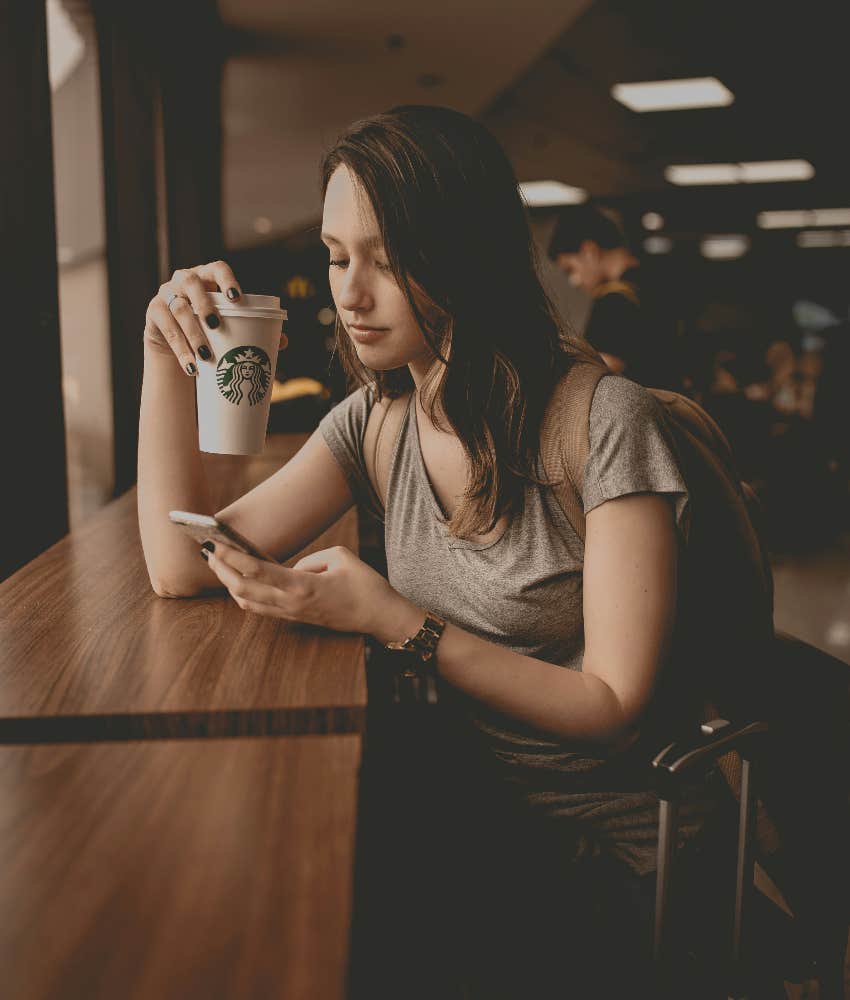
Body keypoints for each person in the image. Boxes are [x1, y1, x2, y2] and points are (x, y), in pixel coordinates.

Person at [138, 106, 725, 998]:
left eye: (391, 256)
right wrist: (159, 353)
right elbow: (183, 566)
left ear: (468, 253)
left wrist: (396, 622)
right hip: (481, 815)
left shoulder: (603, 421)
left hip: (622, 854)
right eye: (338, 257)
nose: (351, 292)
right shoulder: (377, 422)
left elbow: (612, 705)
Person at [547, 203, 678, 389]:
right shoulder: (658, 282)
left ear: (589, 251)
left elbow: (598, 376)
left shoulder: (613, 301)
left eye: (570, 269)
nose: (574, 281)